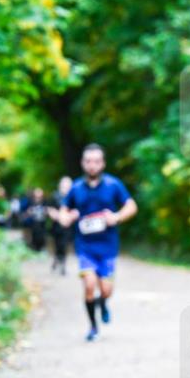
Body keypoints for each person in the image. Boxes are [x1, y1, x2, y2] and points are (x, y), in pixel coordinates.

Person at [58, 144, 138, 341]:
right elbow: (63, 211)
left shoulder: (113, 185)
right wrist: (66, 217)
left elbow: (131, 205)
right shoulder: (76, 188)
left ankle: (103, 303)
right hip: (85, 247)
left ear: (102, 163)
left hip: (108, 247)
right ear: (82, 163)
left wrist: (117, 217)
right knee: (89, 284)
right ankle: (93, 327)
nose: (92, 165)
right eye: (88, 161)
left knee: (106, 290)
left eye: (96, 161)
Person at [47, 176, 73, 275]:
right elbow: (49, 209)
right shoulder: (55, 196)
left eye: (68, 185)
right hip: (56, 226)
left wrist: (69, 218)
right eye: (64, 185)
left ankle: (63, 265)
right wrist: (58, 217)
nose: (66, 187)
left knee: (65, 245)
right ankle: (57, 259)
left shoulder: (72, 197)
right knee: (58, 244)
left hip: (68, 226)